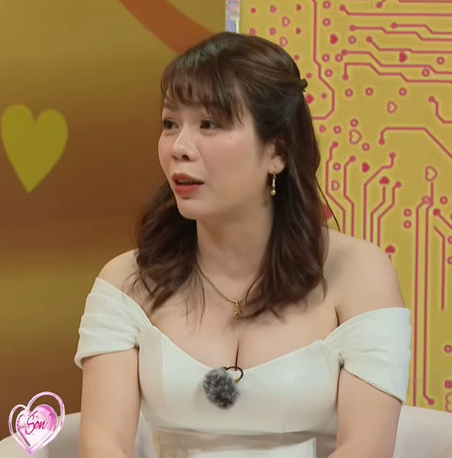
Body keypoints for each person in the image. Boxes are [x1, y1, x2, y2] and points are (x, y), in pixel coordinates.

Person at [74, 31, 411, 458]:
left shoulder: (358, 274)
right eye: (170, 124)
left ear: (277, 151)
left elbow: (366, 448)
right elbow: (102, 446)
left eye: (209, 124)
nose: (179, 148)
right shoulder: (127, 281)